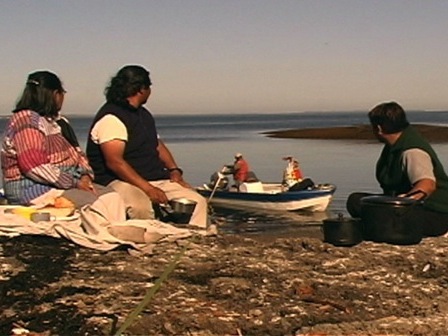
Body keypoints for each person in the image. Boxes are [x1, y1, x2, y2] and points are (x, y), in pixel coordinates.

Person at [86, 65, 208, 228]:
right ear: (142, 89)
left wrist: (174, 170)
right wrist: (148, 188)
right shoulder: (112, 117)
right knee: (140, 206)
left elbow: (156, 144)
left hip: (154, 177)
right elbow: (115, 162)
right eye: (149, 87)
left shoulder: (143, 115)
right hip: (118, 180)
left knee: (196, 201)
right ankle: (143, 242)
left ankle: (193, 237)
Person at [0, 70, 124, 215]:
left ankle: (114, 234)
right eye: (62, 93)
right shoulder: (27, 121)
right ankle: (102, 235)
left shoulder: (59, 123)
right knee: (97, 206)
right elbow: (35, 167)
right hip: (34, 189)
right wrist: (74, 182)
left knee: (113, 198)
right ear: (55, 94)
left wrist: (85, 175)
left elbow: (78, 155)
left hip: (66, 183)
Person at [346, 101, 448, 237]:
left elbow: (427, 185)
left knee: (383, 217)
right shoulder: (394, 146)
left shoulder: (412, 151)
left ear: (379, 128)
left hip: (434, 212)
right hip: (404, 206)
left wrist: (403, 204)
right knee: (357, 201)